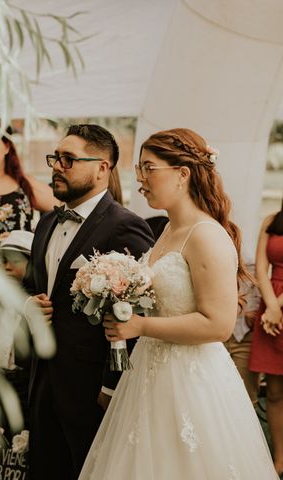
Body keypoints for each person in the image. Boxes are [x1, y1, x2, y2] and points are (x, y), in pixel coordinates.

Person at [79, 128, 278, 479]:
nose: (140, 178)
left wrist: (141, 326)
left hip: (193, 381)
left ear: (182, 174)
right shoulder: (168, 231)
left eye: (149, 168)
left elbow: (218, 324)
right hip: (148, 375)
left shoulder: (206, 235)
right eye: (139, 169)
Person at [23, 124, 154, 480]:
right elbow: (29, 286)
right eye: (55, 158)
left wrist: (112, 385)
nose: (56, 166)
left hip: (91, 391)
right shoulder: (47, 222)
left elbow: (140, 311)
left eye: (69, 159)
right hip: (42, 382)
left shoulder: (126, 226)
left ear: (102, 168)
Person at [0, 230, 35, 433]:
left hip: (24, 383)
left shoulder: (39, 302)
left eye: (15, 260)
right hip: (1, 378)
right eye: (3, 260)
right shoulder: (1, 298)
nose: (7, 266)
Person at [250, 199, 283, 476]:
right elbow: (261, 269)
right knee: (273, 392)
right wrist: (271, 305)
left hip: (276, 306)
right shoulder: (271, 220)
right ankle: (279, 459)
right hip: (270, 309)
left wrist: (277, 305)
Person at [224, 257, 260, 406]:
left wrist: (258, 308)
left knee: (246, 399)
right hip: (214, 335)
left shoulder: (263, 233)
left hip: (247, 332)